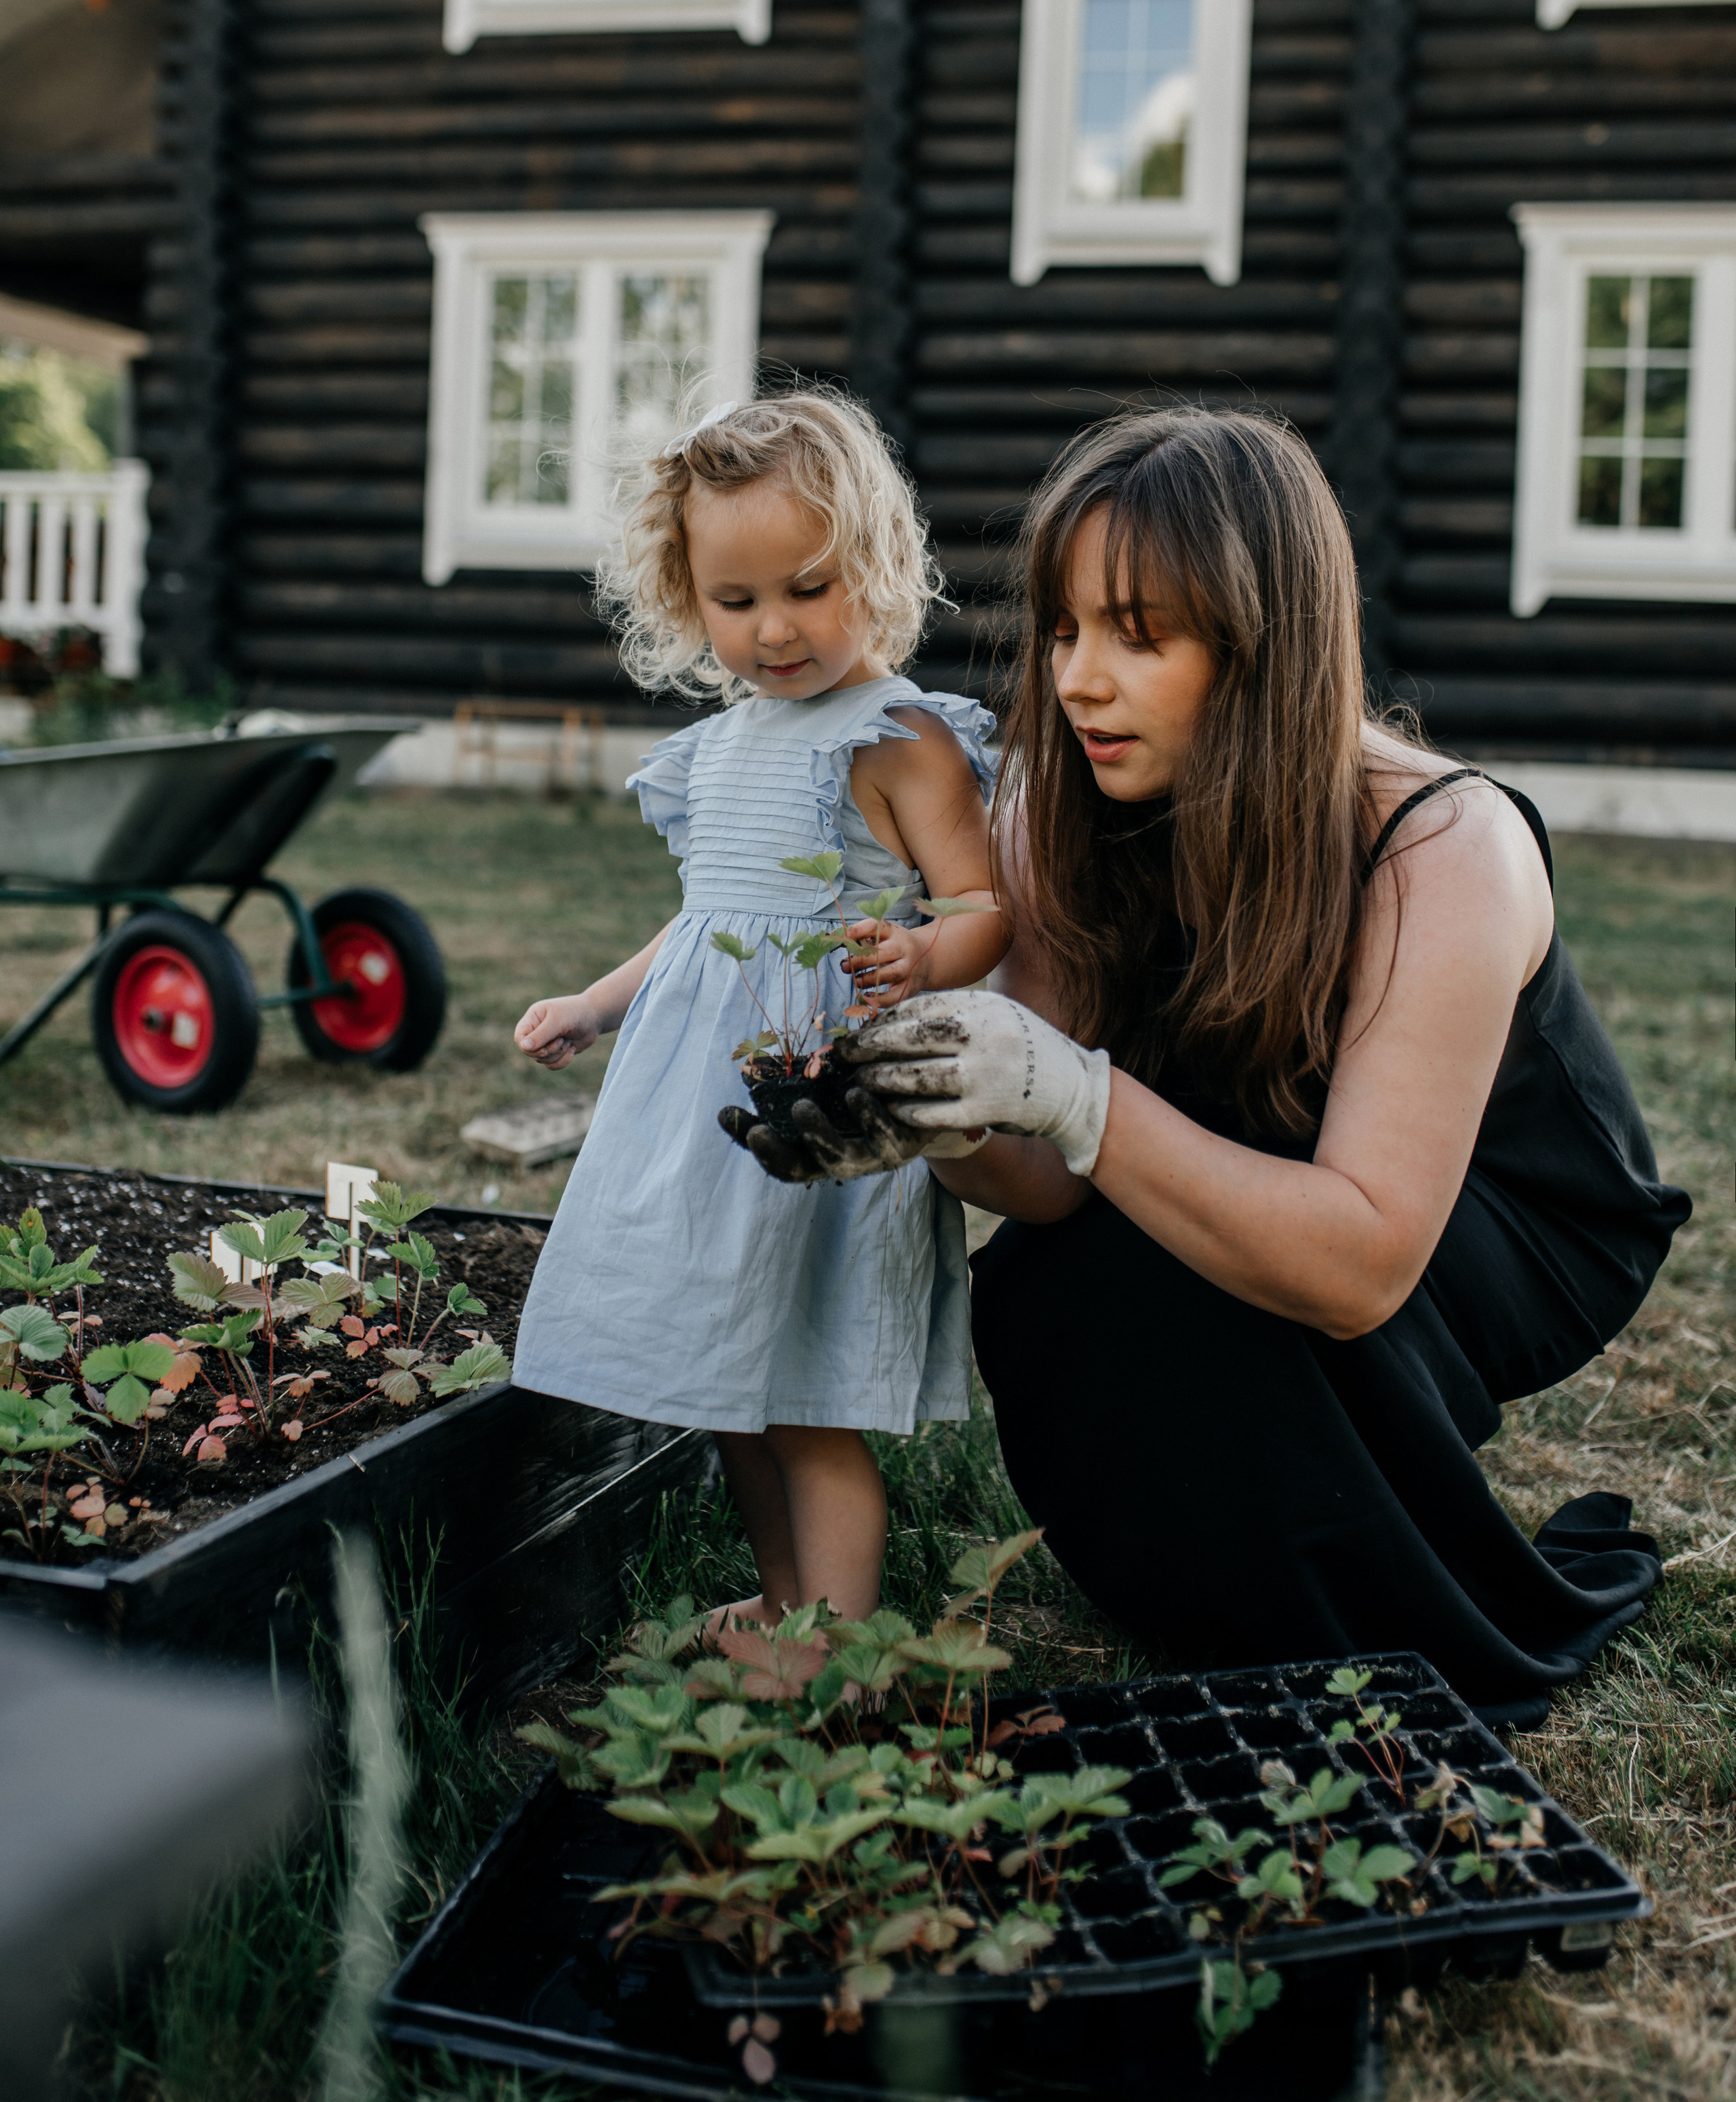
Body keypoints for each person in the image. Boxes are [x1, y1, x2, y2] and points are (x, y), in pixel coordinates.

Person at [736, 408, 1689, 1726]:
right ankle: (1208, 1578)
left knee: (1244, 1296)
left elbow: (1356, 1268)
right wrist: (940, 1106)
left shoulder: (1440, 846)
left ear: (1259, 647)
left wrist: (1069, 1088)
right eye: (1065, 629)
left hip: (1496, 1216)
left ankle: (1362, 1514)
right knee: (1060, 1283)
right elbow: (1051, 1189)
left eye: (1139, 634)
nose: (1076, 681)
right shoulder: (1058, 805)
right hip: (1257, 1134)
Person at [511, 389, 1010, 1630]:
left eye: (807, 587)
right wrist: (598, 1002)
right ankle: (787, 1609)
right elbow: (700, 923)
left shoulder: (900, 737)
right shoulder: (721, 747)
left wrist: (923, 951)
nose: (775, 629)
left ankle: (836, 1656)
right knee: (725, 1382)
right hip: (705, 1113)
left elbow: (985, 907)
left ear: (877, 564)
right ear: (689, 599)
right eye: (737, 603)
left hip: (817, 1112)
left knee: (810, 1399)